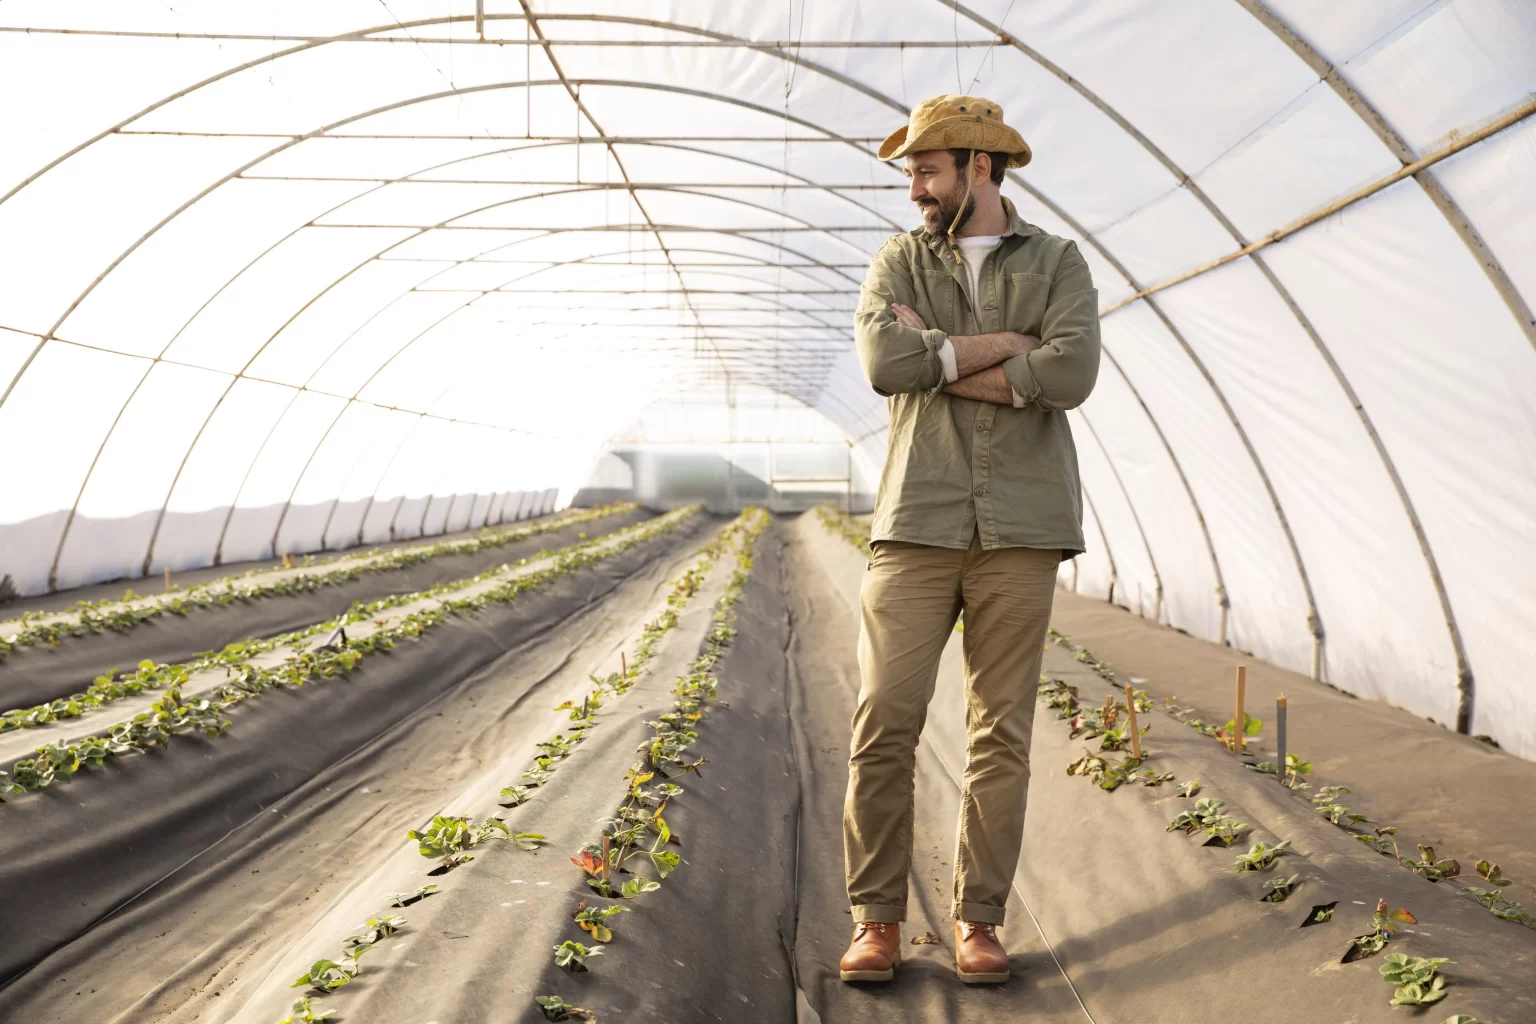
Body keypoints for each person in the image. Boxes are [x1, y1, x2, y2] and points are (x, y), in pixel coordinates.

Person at [838, 94, 1100, 985]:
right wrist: (1005, 349)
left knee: (1000, 733)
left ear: (978, 167)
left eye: (926, 170)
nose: (914, 187)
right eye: (913, 172)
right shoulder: (898, 261)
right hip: (918, 519)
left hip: (1022, 526)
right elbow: (884, 365)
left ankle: (978, 921)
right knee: (884, 720)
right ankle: (876, 920)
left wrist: (939, 357)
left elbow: (1071, 372)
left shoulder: (1058, 261)